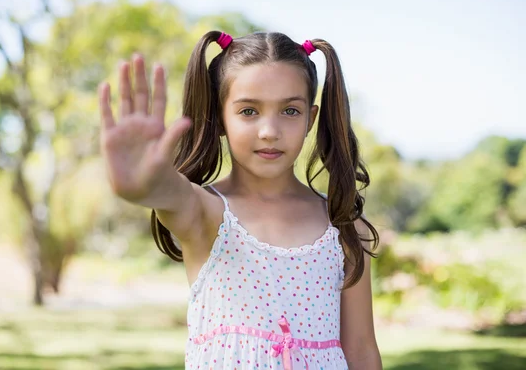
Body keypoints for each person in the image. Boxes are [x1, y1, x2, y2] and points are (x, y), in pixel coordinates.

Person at [98, 30, 382, 370]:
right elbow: (167, 192)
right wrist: (141, 184)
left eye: (290, 111)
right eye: (249, 111)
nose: (269, 131)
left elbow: (362, 350)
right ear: (219, 117)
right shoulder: (206, 213)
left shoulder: (345, 226)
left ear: (311, 117)